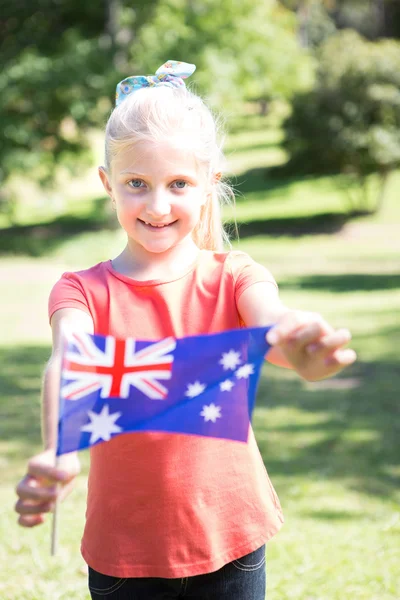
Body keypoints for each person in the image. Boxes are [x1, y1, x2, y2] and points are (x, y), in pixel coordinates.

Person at [15, 60, 356, 600]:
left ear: (208, 186)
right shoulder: (80, 290)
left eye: (178, 184)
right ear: (108, 184)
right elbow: (69, 361)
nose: (157, 205)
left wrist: (305, 348)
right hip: (123, 551)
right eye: (136, 184)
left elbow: (275, 329)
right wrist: (59, 450)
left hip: (231, 540)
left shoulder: (235, 275)